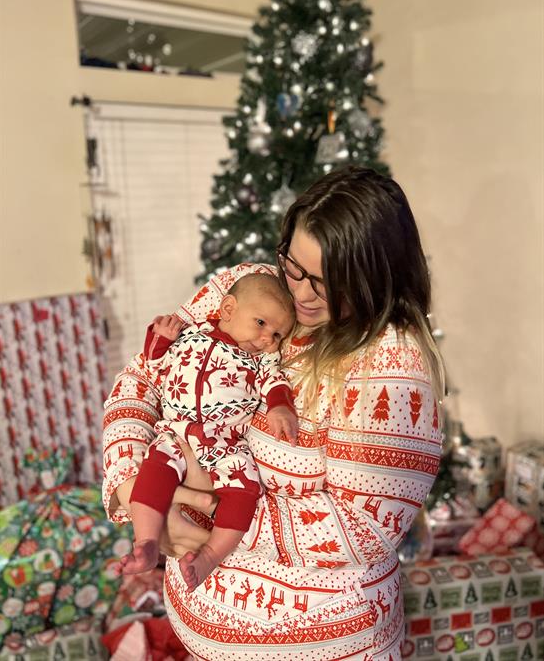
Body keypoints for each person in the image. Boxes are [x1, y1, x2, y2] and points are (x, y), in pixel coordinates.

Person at [103, 166, 444, 660]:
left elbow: (361, 534)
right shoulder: (247, 287)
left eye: (328, 283)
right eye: (294, 266)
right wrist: (129, 484)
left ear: (374, 276)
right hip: (198, 636)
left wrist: (198, 509)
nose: (301, 295)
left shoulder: (393, 363)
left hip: (323, 647)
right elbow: (141, 380)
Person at [120, 274, 297, 592]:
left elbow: (276, 382)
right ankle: (145, 542)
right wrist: (160, 337)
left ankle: (211, 555)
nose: (268, 338)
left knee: (244, 491)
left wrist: (279, 406)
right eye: (261, 323)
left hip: (224, 440)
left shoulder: (260, 361)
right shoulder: (192, 335)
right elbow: (156, 364)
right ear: (228, 308)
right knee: (153, 470)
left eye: (277, 334)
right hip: (175, 431)